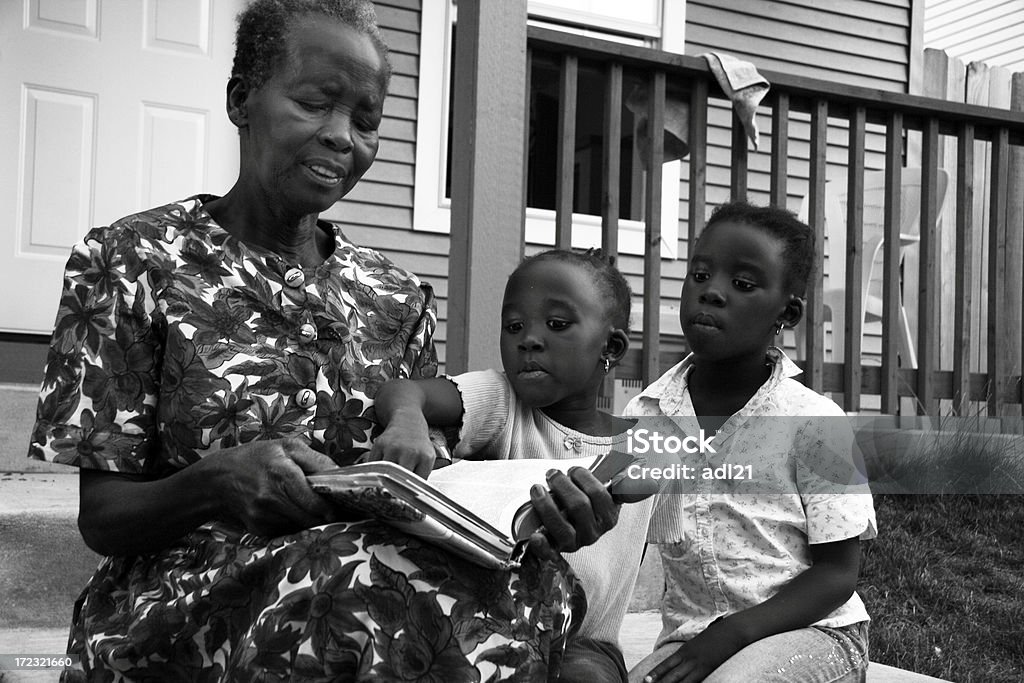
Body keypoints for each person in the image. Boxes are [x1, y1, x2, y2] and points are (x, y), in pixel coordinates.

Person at [27, 2, 618, 680]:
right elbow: (103, 517)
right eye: (315, 104)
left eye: (365, 121)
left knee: (536, 581)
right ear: (241, 99)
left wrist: (532, 517)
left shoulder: (395, 295)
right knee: (379, 590)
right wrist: (213, 483)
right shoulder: (132, 261)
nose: (343, 137)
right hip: (184, 601)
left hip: (375, 576)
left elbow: (429, 489)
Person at [370, 249, 658, 683]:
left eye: (557, 325)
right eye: (514, 326)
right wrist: (407, 420)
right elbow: (405, 391)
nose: (529, 340)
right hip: (497, 618)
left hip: (585, 642)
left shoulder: (643, 449)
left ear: (611, 348)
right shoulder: (503, 402)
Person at [624, 202, 876, 683]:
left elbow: (837, 575)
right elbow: (624, 544)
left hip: (816, 636)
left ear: (788, 311)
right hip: (692, 639)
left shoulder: (815, 423)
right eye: (700, 274)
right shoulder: (646, 417)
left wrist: (732, 636)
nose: (712, 292)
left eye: (742, 284)